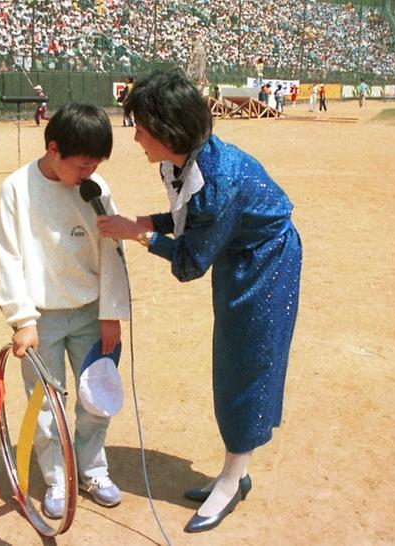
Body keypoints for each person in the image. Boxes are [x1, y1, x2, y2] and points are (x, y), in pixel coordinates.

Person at [97, 71, 302, 533]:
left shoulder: (217, 179)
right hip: (240, 253)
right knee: (232, 358)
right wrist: (140, 221)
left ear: (169, 132)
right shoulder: (186, 161)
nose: (135, 137)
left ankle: (233, 478)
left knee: (245, 363)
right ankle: (235, 470)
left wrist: (141, 235)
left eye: (142, 128)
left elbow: (190, 263)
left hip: (265, 260)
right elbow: (189, 217)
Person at [0, 103, 130, 520]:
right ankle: (57, 479)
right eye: (82, 164)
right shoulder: (17, 189)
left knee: (96, 399)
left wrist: (110, 313)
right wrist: (23, 320)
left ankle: (93, 470)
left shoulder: (96, 189)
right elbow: (9, 256)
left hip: (92, 314)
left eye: (96, 164)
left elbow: (112, 252)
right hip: (42, 319)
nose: (88, 172)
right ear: (54, 148)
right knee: (45, 405)